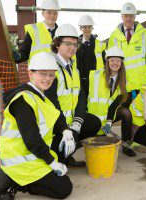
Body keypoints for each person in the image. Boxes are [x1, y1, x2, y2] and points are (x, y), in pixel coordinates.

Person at [0, 52, 73, 200]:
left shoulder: (40, 96)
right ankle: (5, 179)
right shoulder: (23, 100)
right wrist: (52, 163)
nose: (47, 79)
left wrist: (66, 131)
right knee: (64, 189)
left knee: (63, 178)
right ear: (30, 73)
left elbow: (55, 115)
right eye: (43, 73)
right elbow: (32, 139)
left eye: (51, 75)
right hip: (20, 162)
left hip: (34, 157)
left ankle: (21, 182)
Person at [45, 24, 101, 166]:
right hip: (55, 125)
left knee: (94, 123)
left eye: (75, 44)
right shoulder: (51, 67)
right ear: (57, 44)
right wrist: (65, 129)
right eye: (67, 43)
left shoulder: (73, 68)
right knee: (58, 170)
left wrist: (77, 122)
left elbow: (81, 96)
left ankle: (67, 154)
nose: (72, 48)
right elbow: (52, 102)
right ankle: (61, 156)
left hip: (70, 121)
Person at [87, 46, 136, 157]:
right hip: (93, 114)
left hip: (108, 114)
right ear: (107, 61)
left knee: (126, 113)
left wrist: (109, 122)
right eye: (112, 60)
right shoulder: (96, 76)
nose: (115, 63)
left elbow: (114, 104)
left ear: (122, 63)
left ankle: (126, 145)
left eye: (118, 60)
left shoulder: (123, 80)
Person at [108, 2, 146, 103]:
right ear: (122, 17)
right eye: (126, 16)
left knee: (140, 111)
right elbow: (110, 60)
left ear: (135, 16)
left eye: (131, 16)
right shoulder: (114, 36)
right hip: (122, 81)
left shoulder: (144, 33)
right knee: (125, 113)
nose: (128, 19)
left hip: (141, 82)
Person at [76, 14, 107, 95]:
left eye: (89, 27)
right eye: (84, 27)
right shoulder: (75, 44)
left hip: (95, 81)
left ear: (92, 28)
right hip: (79, 81)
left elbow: (105, 64)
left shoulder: (100, 45)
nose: (87, 29)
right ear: (80, 28)